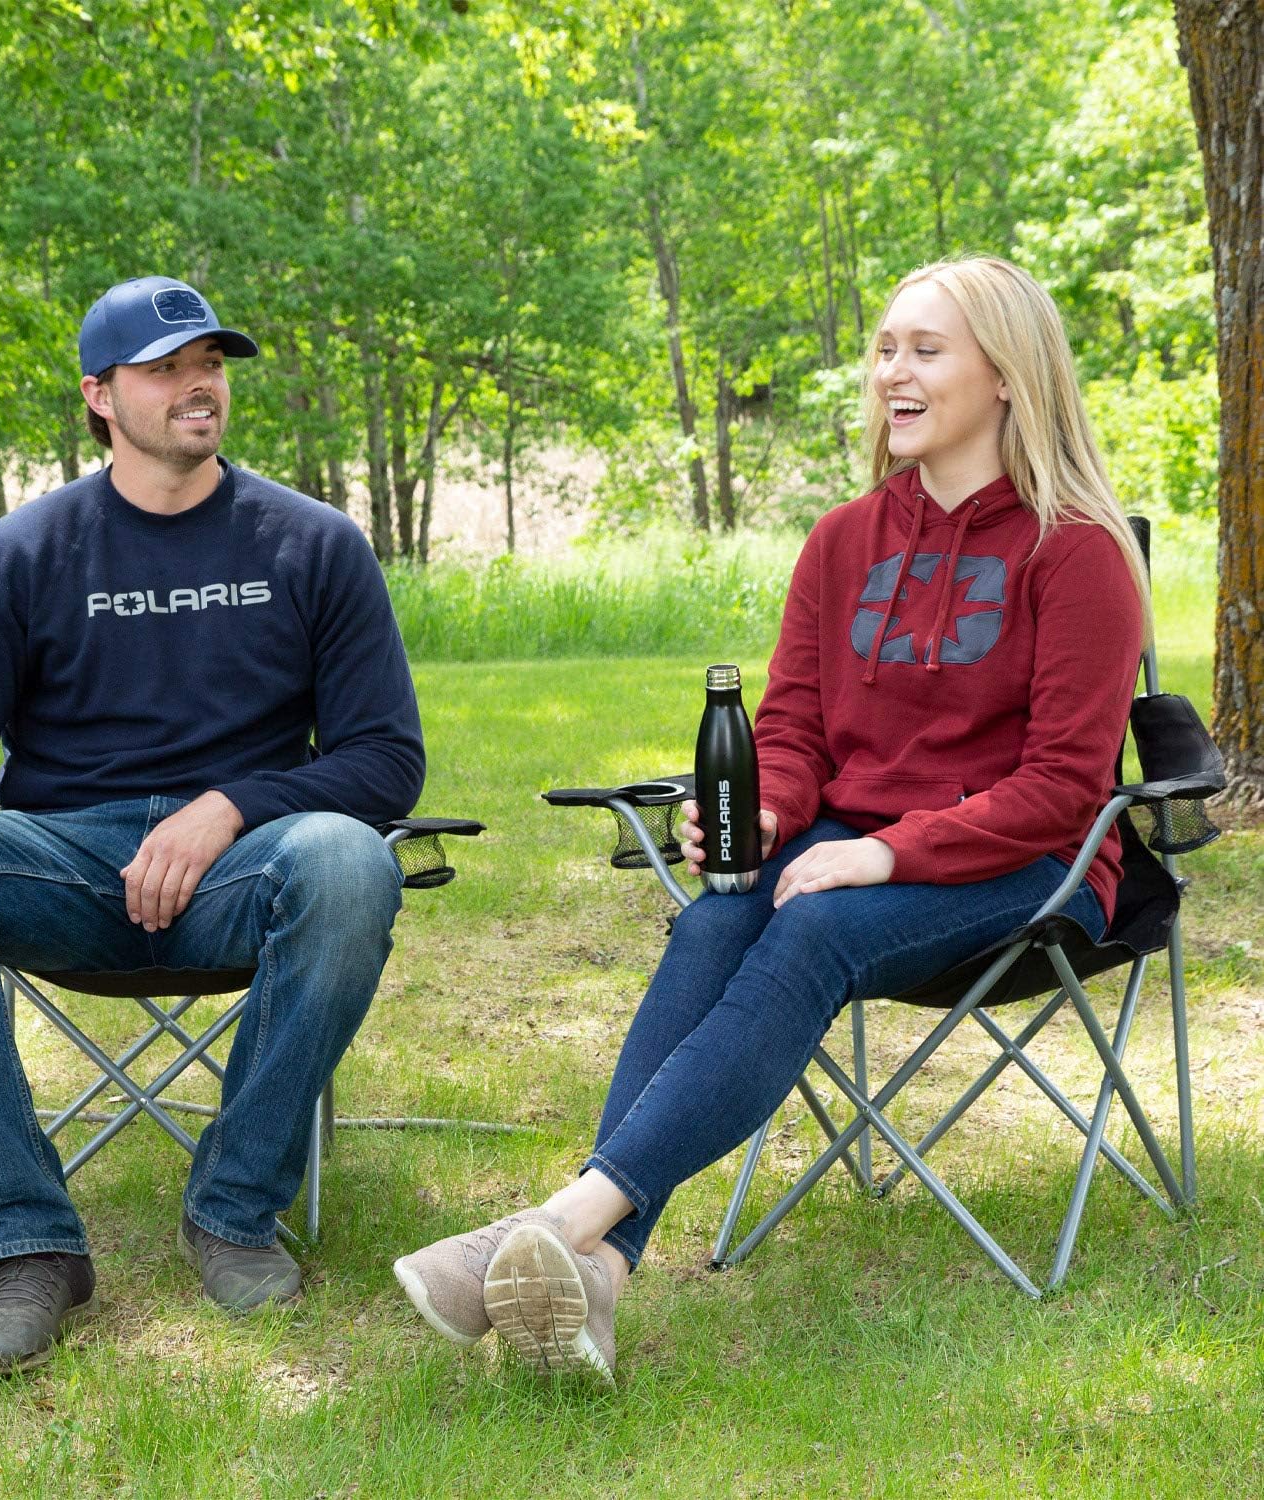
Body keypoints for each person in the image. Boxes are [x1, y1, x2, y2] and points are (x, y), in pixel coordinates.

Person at [393, 255, 1148, 1385]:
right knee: (716, 918)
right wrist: (759, 815)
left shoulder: (1076, 551)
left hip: (1031, 865)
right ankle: (593, 1272)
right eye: (886, 347)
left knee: (812, 930)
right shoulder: (845, 541)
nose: (893, 371)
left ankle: (552, 1224)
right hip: (850, 846)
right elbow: (791, 730)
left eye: (926, 350)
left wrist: (882, 852)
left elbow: (1063, 788)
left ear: (1007, 375)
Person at [0, 275, 425, 1372]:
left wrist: (230, 807)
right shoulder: (20, 556)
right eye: (165, 369)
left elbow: (386, 761)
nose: (197, 385)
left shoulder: (313, 544)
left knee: (351, 860)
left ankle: (234, 1208)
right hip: (65, 863)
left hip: (245, 869)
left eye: (208, 363)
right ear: (101, 395)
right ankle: (24, 1246)